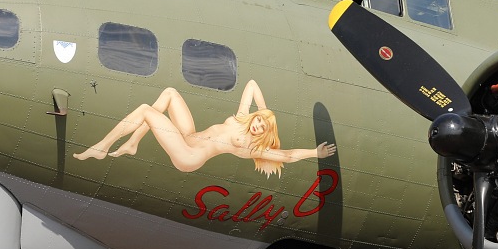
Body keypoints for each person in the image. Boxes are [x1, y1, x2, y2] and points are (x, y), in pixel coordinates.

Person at [73, 80, 335, 177]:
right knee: (169, 93)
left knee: (145, 110)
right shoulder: (242, 118)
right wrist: (265, 112)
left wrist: (315, 153)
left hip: (190, 156)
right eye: (258, 121)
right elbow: (252, 85)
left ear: (263, 133)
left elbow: (287, 156)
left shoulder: (251, 147)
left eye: (262, 126)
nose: (257, 125)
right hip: (188, 137)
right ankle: (132, 143)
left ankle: (102, 147)